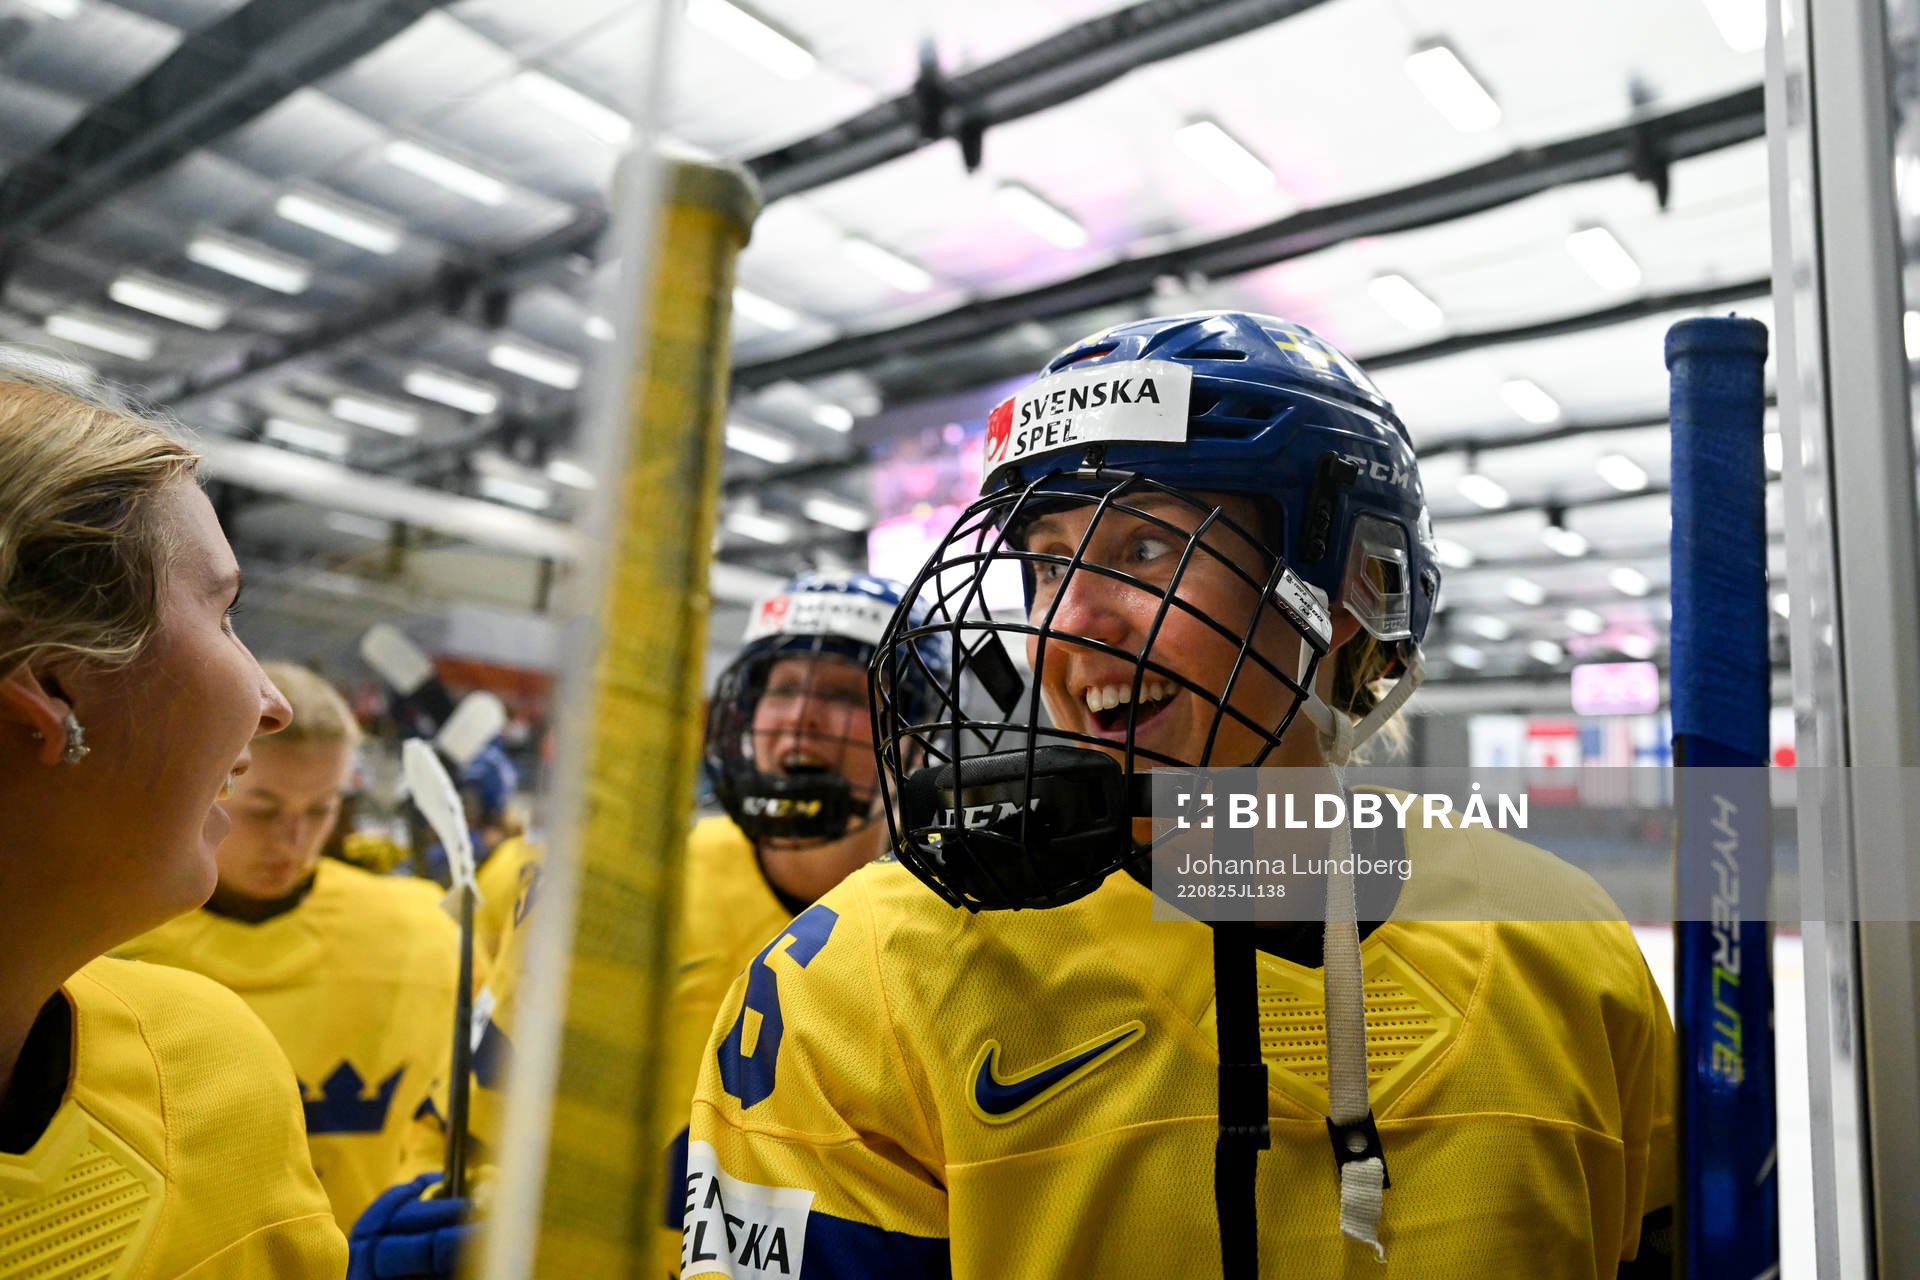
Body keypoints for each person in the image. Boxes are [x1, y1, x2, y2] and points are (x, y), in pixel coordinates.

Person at [683, 312, 1674, 1276]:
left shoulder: (1570, 951)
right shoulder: (865, 977)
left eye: (1145, 549)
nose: (1071, 624)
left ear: (1347, 590)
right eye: (1045, 563)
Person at [0, 367, 347, 1274]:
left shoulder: (211, 1075)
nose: (270, 702)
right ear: (50, 685)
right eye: (225, 616)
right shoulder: (196, 1077)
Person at [118, 660, 466, 1232]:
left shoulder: (422, 931)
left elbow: (461, 1118)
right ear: (194, 780)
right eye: (263, 810)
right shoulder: (106, 931)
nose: (293, 841)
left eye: (321, 809)